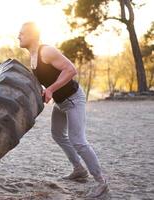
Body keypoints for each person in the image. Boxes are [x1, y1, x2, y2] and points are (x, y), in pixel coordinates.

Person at [17, 21, 109, 198]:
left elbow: (70, 70)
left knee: (78, 140)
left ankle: (101, 181)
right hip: (61, 102)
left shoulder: (47, 51)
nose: (18, 36)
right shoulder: (34, 56)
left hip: (73, 99)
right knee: (57, 134)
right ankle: (79, 169)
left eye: (21, 33)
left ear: (31, 35)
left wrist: (51, 89)